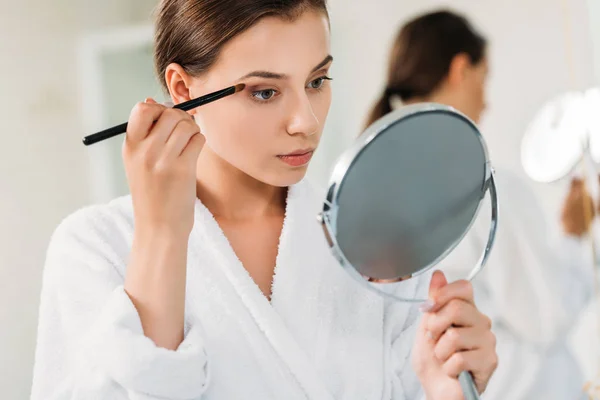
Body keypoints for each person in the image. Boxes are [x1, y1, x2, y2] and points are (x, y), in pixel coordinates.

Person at [30, 2, 497, 399]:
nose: (306, 121)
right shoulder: (95, 247)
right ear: (181, 89)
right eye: (266, 92)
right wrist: (161, 234)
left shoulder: (376, 235)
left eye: (317, 81)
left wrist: (443, 390)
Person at [365, 9, 594, 400]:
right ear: (460, 69)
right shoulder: (486, 190)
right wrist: (574, 236)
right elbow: (547, 317)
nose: (486, 102)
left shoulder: (374, 185)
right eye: (484, 79)